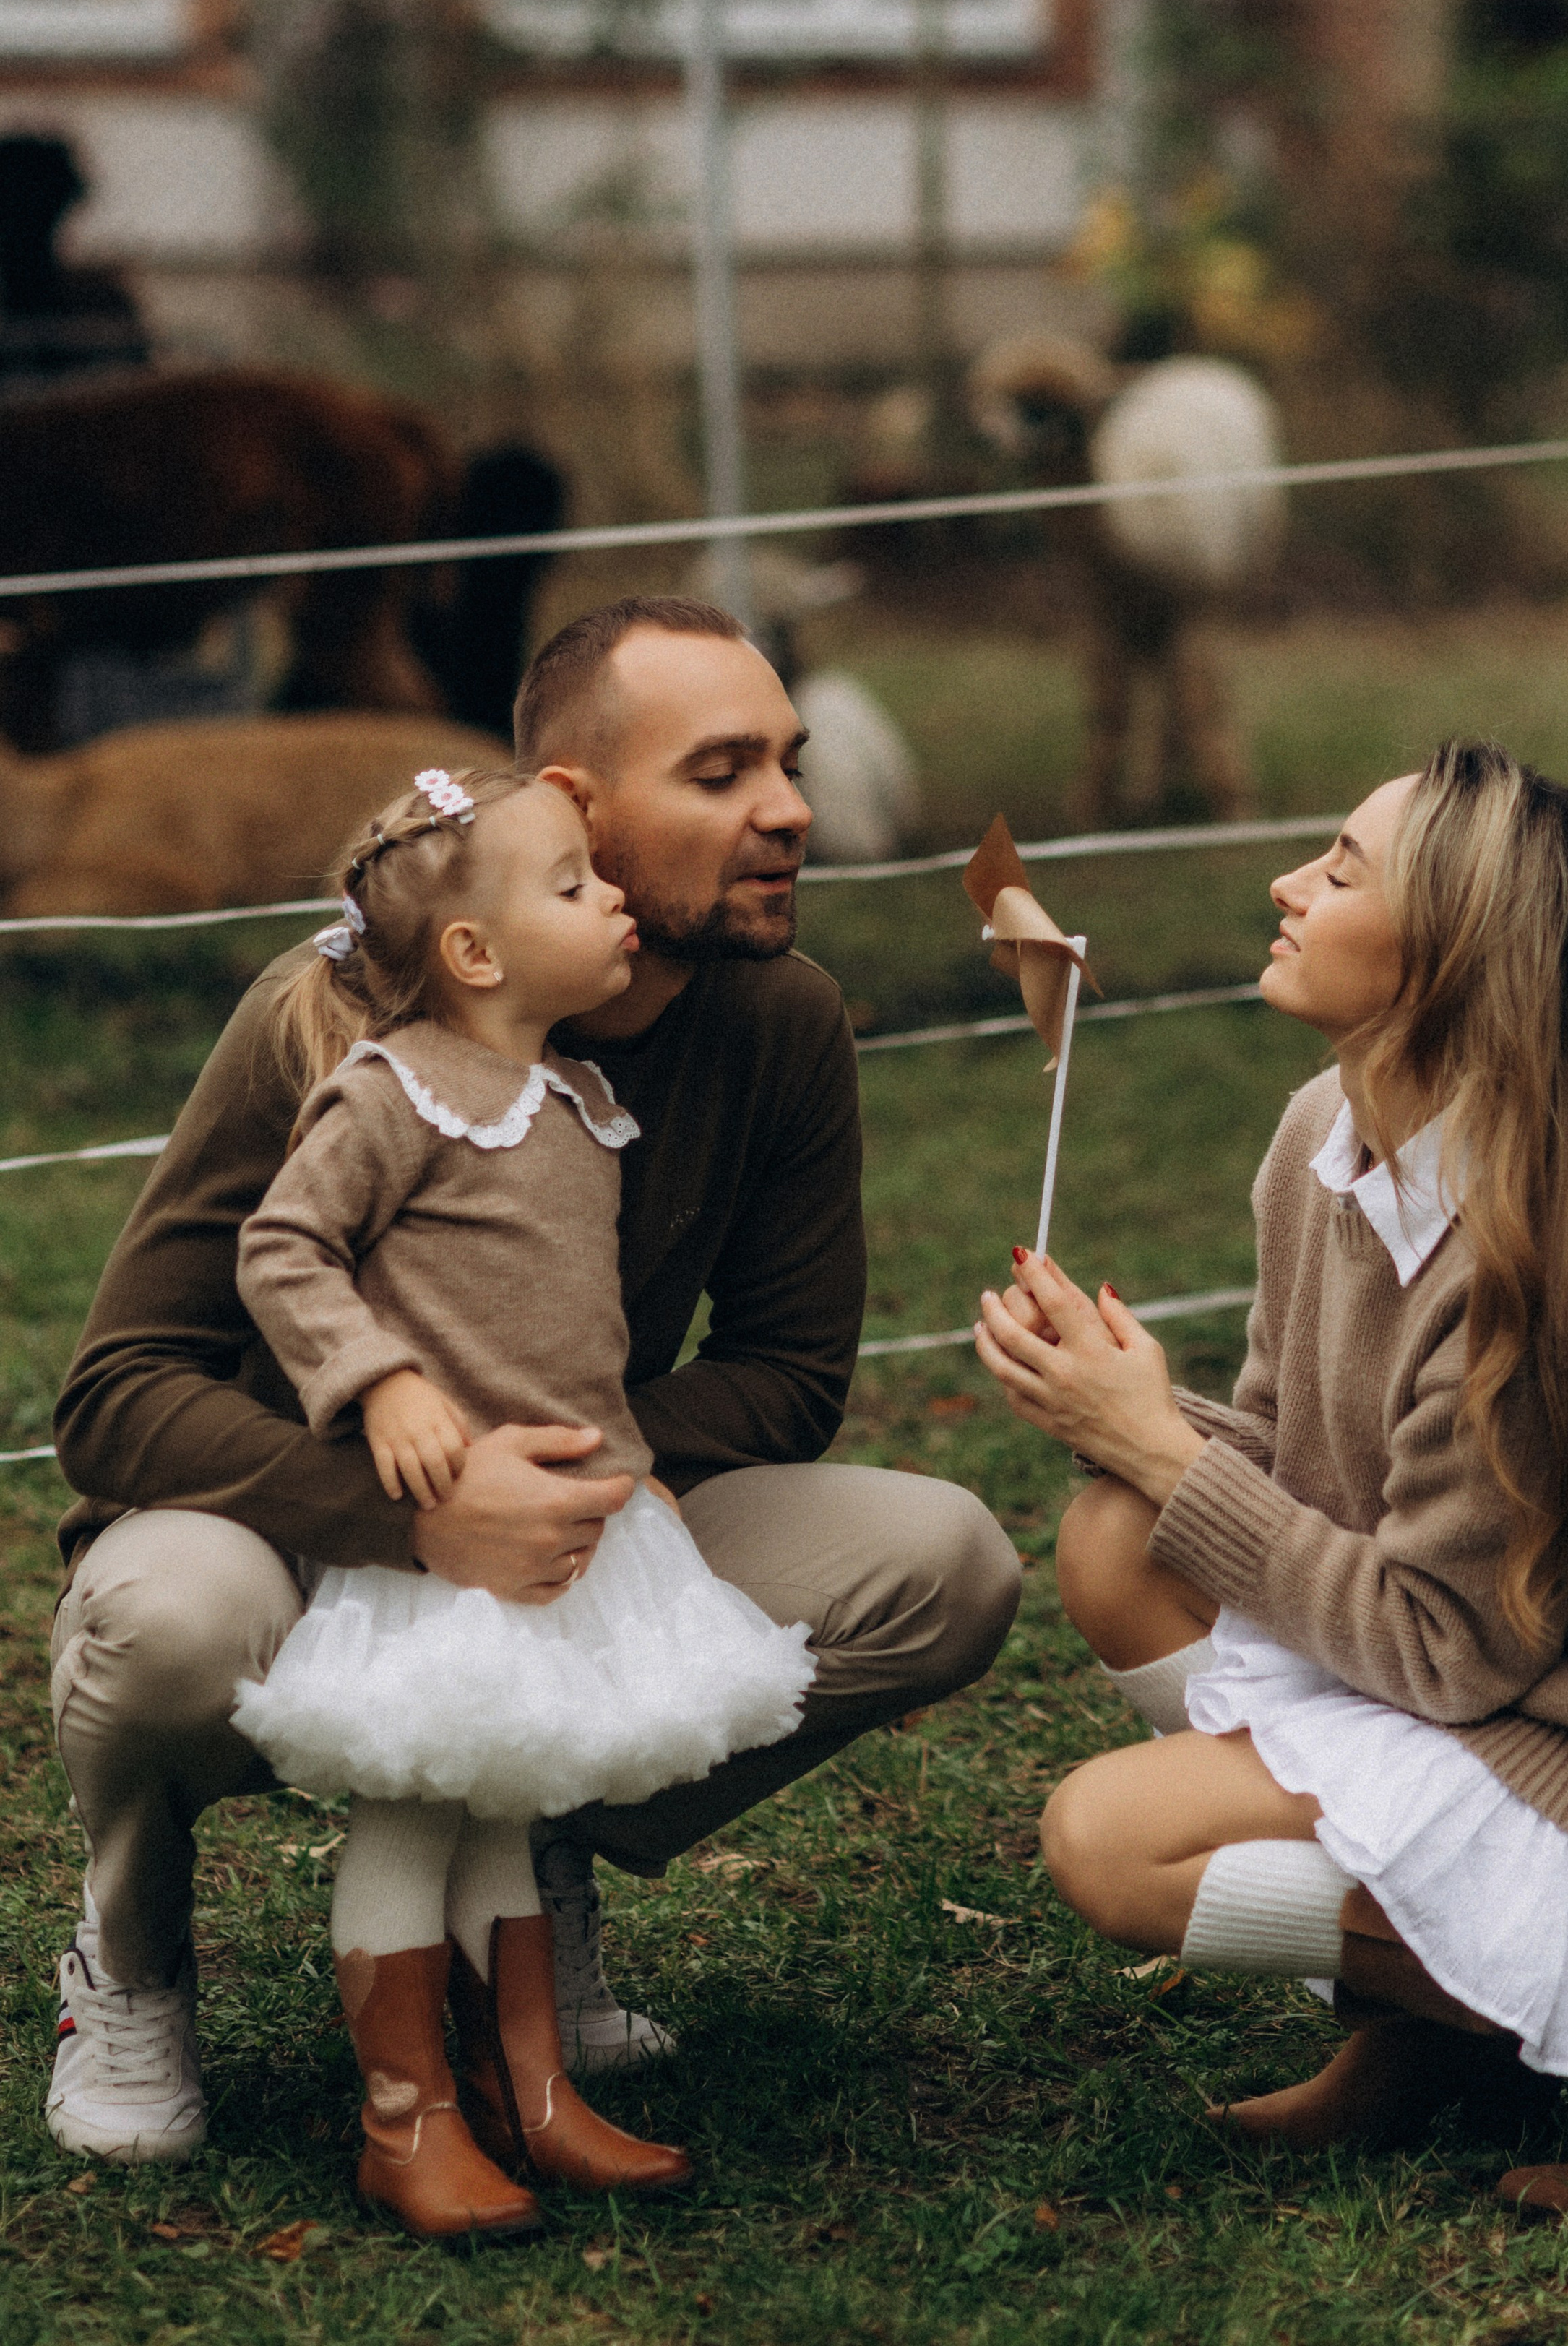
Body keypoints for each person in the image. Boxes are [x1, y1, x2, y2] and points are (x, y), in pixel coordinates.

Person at [47, 597, 1022, 2166]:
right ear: (570, 806)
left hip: (566, 1513)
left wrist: (564, 1484)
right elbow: (116, 1391)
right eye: (721, 773)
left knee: (943, 1565)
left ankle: (540, 1848)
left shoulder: (780, 1022)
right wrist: (414, 1506)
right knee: (166, 1626)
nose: (790, 810)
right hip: (279, 1516)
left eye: (789, 763)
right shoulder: (330, 1018)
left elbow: (784, 1373)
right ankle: (135, 1956)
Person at [975, 740, 1568, 2213]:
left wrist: (1153, 1439)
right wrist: (1117, 1415)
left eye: (1337, 868)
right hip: (1489, 1671)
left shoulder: (1535, 1253)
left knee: (1107, 1843)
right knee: (1116, 1533)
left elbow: (1445, 1649)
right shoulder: (1322, 1134)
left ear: (1448, 958)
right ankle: (1430, 2043)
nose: (1284, 883)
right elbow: (1290, 1466)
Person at [228, 764, 818, 2235]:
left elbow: (572, 1337)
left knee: (512, 1802)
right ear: (474, 955)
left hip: (565, 1522)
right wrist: (380, 1383)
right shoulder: (393, 1091)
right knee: (417, 1813)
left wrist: (634, 1478)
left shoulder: (574, 1099)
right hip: (436, 1536)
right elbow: (284, 1252)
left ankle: (531, 2090)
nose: (611, 896)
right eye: (573, 885)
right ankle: (401, 2117)